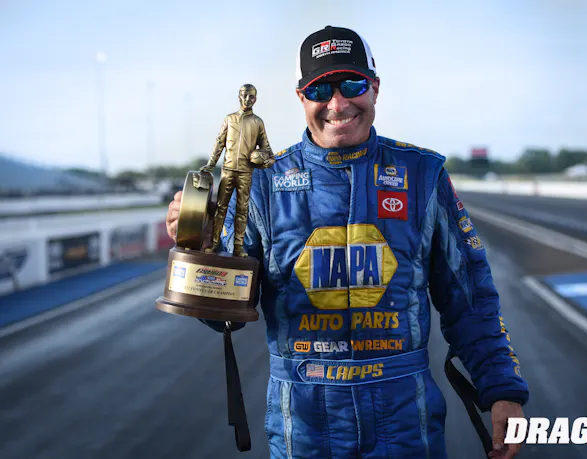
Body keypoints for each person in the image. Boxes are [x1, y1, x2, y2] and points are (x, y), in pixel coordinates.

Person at [166, 25, 528, 459]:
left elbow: (470, 298)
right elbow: (224, 317)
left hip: (406, 424)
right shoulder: (262, 184)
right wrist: (200, 250)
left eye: (352, 85)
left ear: (375, 88)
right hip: (304, 428)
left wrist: (502, 390)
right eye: (320, 90)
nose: (338, 104)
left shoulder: (423, 174)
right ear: (301, 97)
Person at [200, 84, 274, 256]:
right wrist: (211, 164)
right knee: (221, 209)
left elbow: (267, 150)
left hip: (246, 173)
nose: (247, 99)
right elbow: (219, 143)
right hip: (227, 170)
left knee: (242, 211)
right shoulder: (229, 119)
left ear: (255, 99)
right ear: (239, 97)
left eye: (251, 96)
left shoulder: (258, 122)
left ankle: (238, 247)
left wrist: (265, 161)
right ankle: (214, 244)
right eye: (244, 95)